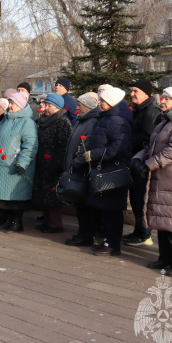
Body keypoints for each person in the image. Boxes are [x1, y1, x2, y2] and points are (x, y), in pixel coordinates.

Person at [133, 87, 172, 277]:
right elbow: (151, 145)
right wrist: (138, 159)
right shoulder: (167, 120)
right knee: (162, 217)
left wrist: (148, 165)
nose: (161, 101)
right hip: (161, 174)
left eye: (166, 99)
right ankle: (166, 258)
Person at [72, 87, 132, 256]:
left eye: (103, 101)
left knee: (112, 210)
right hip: (105, 169)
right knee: (107, 209)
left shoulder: (118, 121)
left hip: (113, 171)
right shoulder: (106, 118)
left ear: (112, 102)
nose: (100, 103)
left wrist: (95, 154)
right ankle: (108, 241)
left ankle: (112, 244)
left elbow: (117, 147)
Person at [0, 91, 37, 233]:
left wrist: (23, 163)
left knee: (16, 197)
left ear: (20, 105)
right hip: (2, 166)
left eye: (12, 103)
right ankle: (8, 220)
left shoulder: (27, 123)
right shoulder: (5, 120)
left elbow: (30, 146)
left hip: (16, 166)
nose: (10, 106)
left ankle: (16, 223)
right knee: (5, 197)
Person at [123, 79, 161, 247]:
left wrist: (127, 141)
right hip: (135, 161)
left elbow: (148, 138)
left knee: (141, 199)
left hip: (142, 164)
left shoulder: (151, 112)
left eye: (135, 91)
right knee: (136, 198)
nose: (131, 94)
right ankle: (138, 232)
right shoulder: (139, 110)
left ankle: (145, 234)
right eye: (132, 91)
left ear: (146, 93)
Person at [64, 92, 102, 246]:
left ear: (87, 106)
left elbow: (89, 146)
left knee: (85, 205)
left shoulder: (92, 121)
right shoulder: (83, 120)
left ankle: (86, 235)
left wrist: (76, 162)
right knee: (81, 205)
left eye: (79, 105)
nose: (76, 108)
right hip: (78, 169)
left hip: (84, 170)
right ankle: (84, 233)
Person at [32, 93, 72, 233]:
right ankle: (46, 220)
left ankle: (55, 223)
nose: (46, 108)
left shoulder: (63, 122)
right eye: (46, 105)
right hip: (41, 162)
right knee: (43, 193)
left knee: (53, 195)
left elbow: (64, 146)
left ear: (57, 107)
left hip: (54, 165)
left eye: (49, 106)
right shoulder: (42, 120)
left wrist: (57, 165)